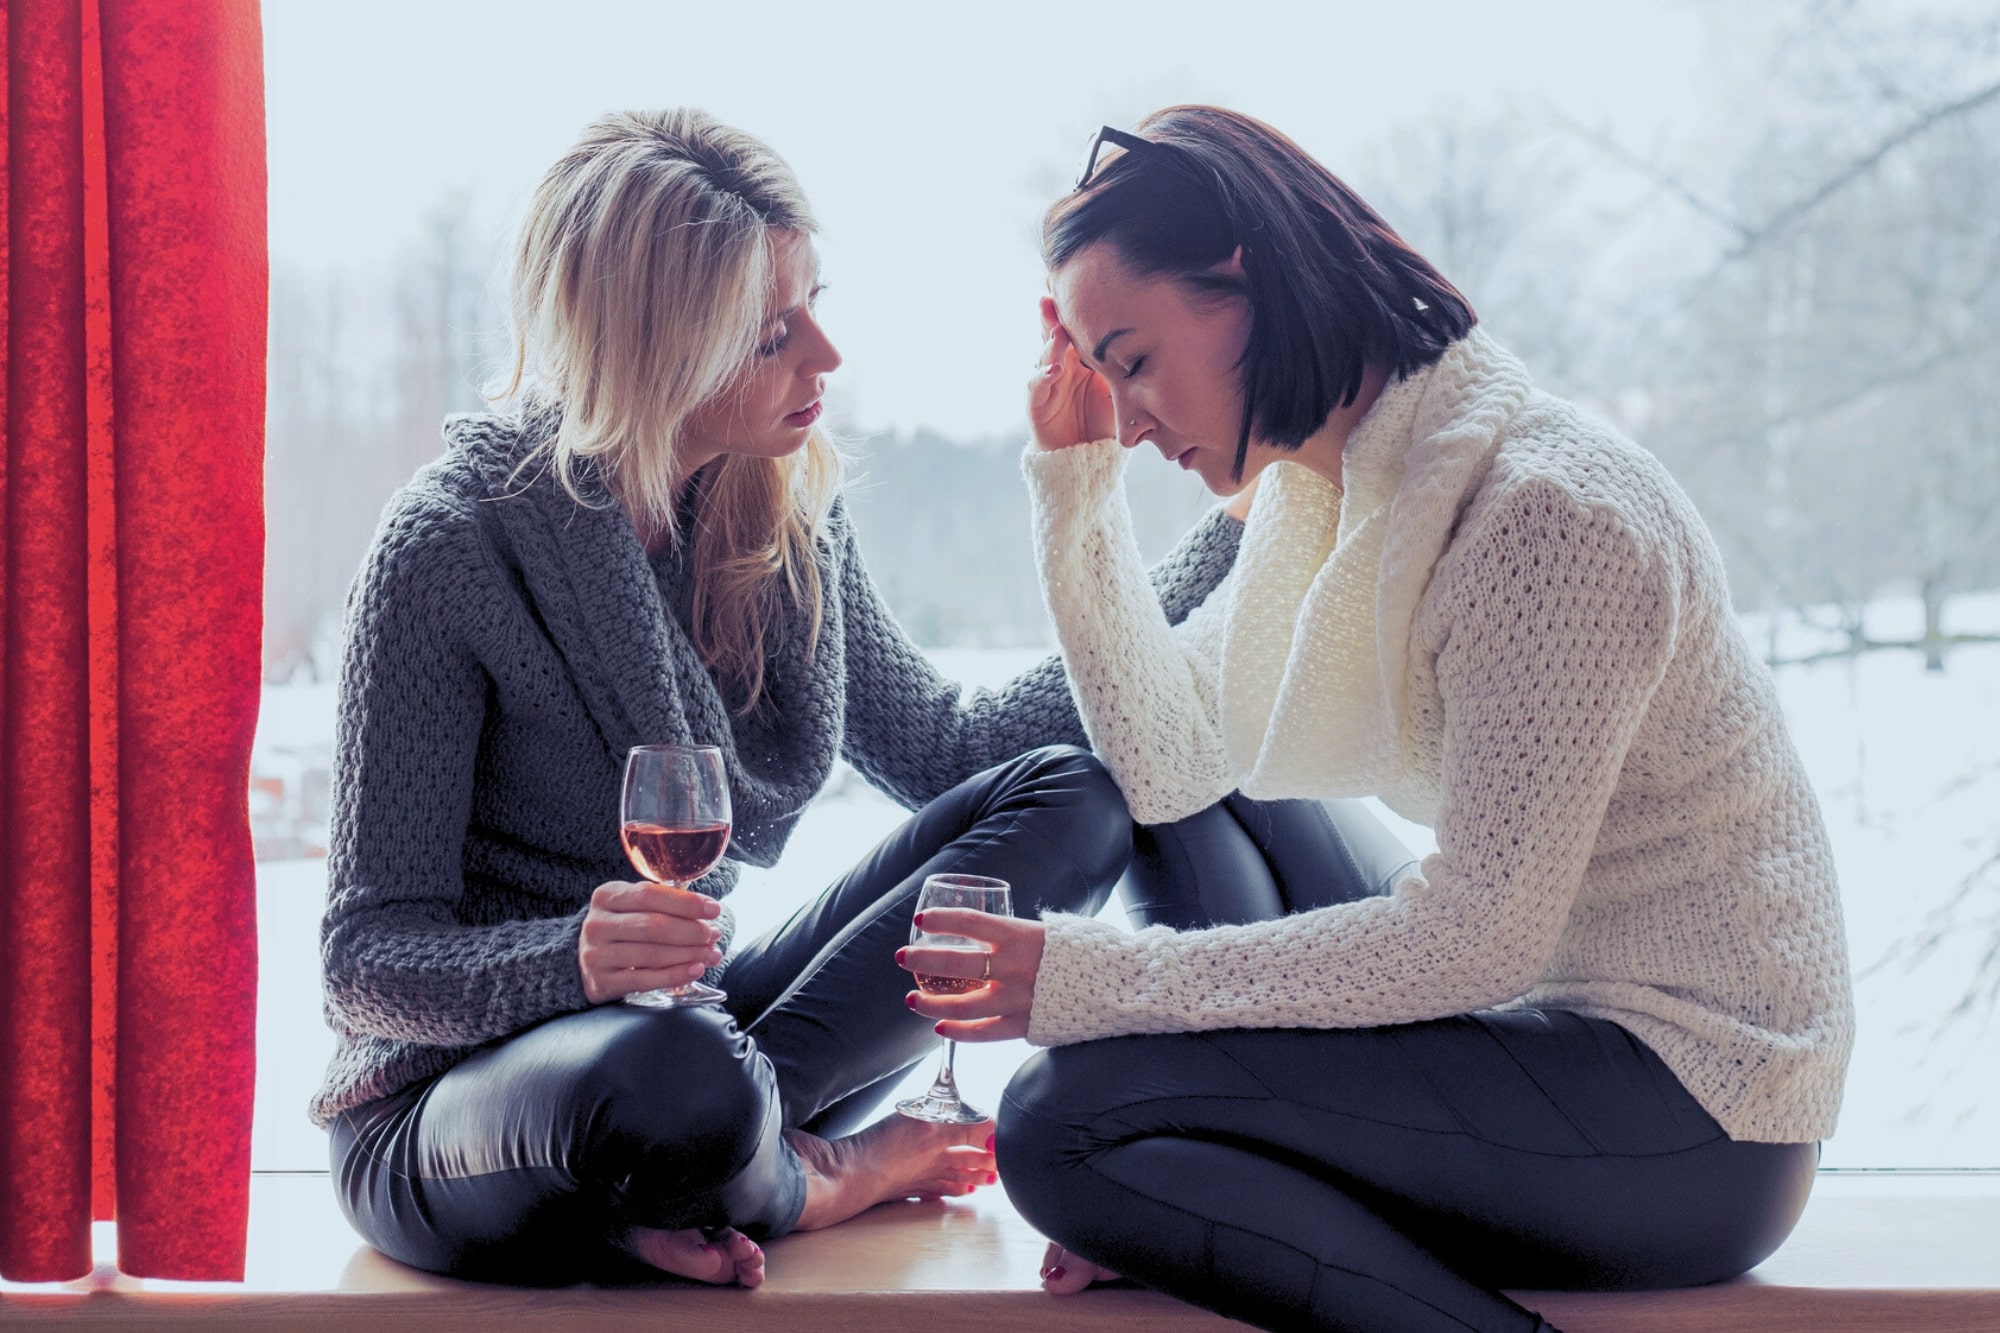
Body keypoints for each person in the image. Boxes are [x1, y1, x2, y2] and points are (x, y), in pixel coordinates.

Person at [899, 105, 1854, 1333]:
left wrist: (1101, 987)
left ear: (1241, 280)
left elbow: (1473, 942)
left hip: (1700, 1118)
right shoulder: (1339, 489)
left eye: (1131, 362)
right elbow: (1169, 765)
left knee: (1053, 1125)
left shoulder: (1540, 515)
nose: (1130, 420)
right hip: (1567, 1033)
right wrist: (1074, 490)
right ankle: (1199, 1178)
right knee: (1222, 821)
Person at [313, 108, 1244, 1289]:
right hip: (451, 1110)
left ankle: (706, 1163)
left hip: (689, 1035)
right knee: (671, 1077)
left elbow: (948, 751)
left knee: (1074, 800)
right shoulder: (450, 547)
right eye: (769, 335)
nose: (824, 355)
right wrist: (577, 961)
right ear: (658, 353)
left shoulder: (781, 512)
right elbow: (361, 959)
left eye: (811, 302)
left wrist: (1234, 529)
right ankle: (806, 1174)